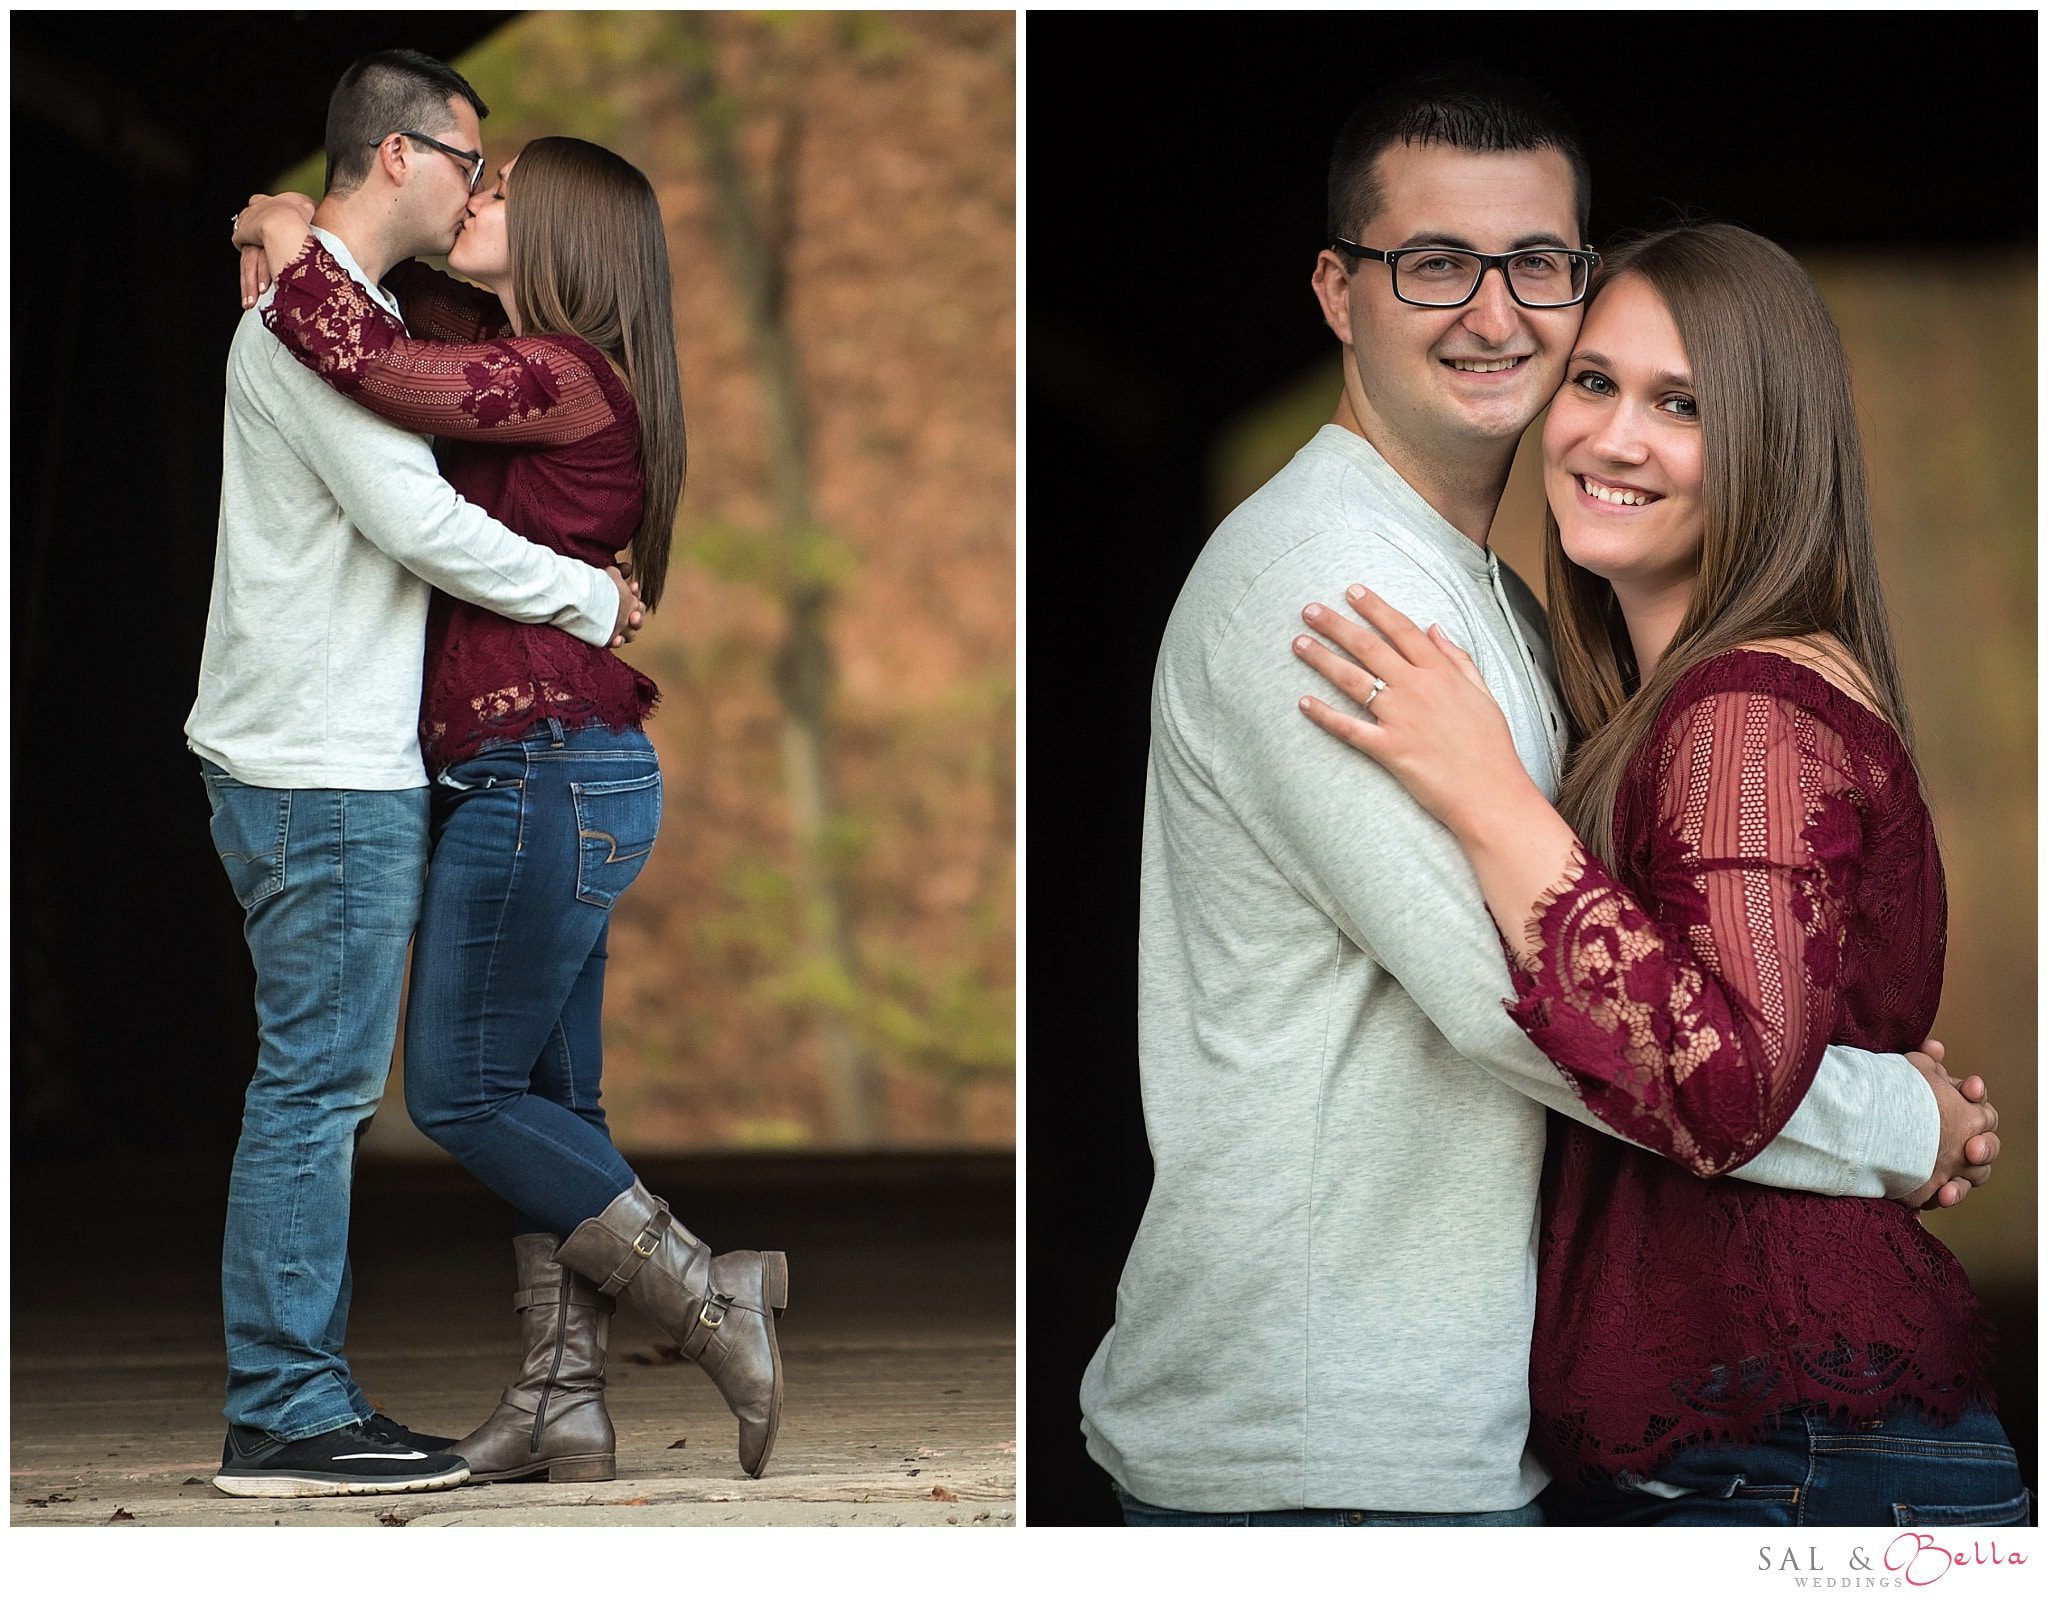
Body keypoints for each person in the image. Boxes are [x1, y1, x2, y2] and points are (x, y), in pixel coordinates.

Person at [1077, 68, 2001, 1526]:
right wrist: (1897, 1120)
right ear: (1338, 290)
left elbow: (1655, 985)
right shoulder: (1331, 588)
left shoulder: (1501, 599)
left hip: (1438, 1428)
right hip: (1328, 1440)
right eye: (1437, 263)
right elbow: (1540, 1006)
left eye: (1539, 265)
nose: (1496, 313)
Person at [1292, 223, 2028, 1526]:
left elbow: (1725, 1082)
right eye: (1595, 382)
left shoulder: (1743, 712)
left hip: (1792, 1454)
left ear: (1768, 447)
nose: (1614, 438)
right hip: (1768, 1444)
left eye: (1679, 405)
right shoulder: (1712, 700)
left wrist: (1486, 795)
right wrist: (1897, 1120)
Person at [232, 124, 790, 1483]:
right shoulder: (517, 357)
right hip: (550, 767)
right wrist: (274, 212)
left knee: (465, 1092)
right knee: (554, 1097)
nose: (475, 200)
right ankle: (561, 1400)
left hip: (547, 769)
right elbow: (370, 296)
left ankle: (714, 1296)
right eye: (474, 178)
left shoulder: (561, 374)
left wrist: (292, 246)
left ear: (569, 239)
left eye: (504, 192)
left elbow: (369, 356)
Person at [189, 49, 649, 1499]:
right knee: (319, 1091)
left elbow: (414, 397)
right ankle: (284, 1407)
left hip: (342, 752)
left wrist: (265, 212)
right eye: (472, 162)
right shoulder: (308, 324)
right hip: (319, 761)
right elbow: (414, 520)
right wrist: (594, 598)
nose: (477, 190)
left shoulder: (360, 315)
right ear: (401, 157)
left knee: (332, 1085)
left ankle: (304, 1393)